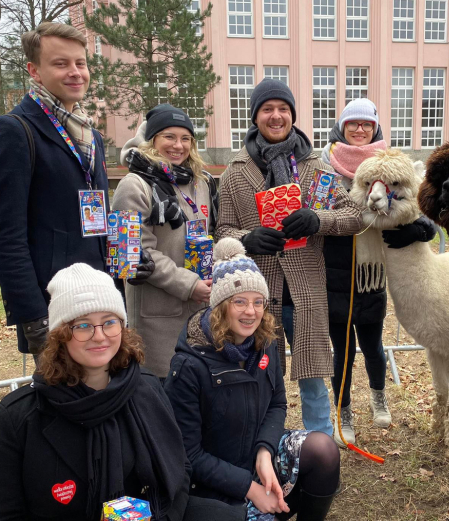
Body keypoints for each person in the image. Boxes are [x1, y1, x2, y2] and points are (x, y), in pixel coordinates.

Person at [0, 22, 152, 356]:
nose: (75, 72)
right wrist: (34, 318)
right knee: (67, 403)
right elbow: (3, 237)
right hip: (55, 305)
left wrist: (129, 260)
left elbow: (94, 218)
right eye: (61, 64)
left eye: (80, 63)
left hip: (100, 299)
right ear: (35, 71)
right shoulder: (13, 131)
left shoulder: (92, 137)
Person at [0, 263, 192, 521]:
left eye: (109, 322)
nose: (99, 336)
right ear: (60, 335)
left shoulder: (146, 389)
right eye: (83, 325)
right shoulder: (19, 418)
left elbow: (179, 472)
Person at [215, 78, 363, 436]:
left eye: (283, 109)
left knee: (313, 380)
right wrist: (246, 239)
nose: (276, 116)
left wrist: (318, 219)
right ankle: (265, 450)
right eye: (268, 109)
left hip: (306, 293)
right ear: (255, 117)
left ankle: (321, 454)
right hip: (257, 296)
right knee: (260, 379)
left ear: (293, 116)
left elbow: (355, 215)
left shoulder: (315, 166)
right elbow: (222, 231)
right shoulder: (235, 173)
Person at [164, 238, 341, 520]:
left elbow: (277, 403)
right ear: (220, 306)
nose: (251, 312)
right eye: (240, 302)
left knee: (323, 450)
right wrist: (250, 488)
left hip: (257, 455)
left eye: (258, 302)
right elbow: (189, 456)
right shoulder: (189, 365)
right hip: (214, 481)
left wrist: (264, 452)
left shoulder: (265, 341)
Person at [320, 98, 436, 445]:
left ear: (375, 128)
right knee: (342, 350)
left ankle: (378, 396)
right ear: (341, 127)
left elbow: (417, 204)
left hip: (371, 274)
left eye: (366, 124)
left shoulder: (391, 166)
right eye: (352, 123)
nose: (359, 129)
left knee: (372, 345)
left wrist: (423, 229)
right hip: (334, 271)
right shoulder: (325, 166)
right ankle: (343, 410)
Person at [112, 104, 219, 378]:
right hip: (157, 316)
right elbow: (135, 253)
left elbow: (207, 235)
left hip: (200, 307)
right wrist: (189, 285)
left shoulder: (200, 182)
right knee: (162, 395)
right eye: (168, 137)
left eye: (185, 138)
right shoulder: (134, 185)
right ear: (152, 141)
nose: (178, 145)